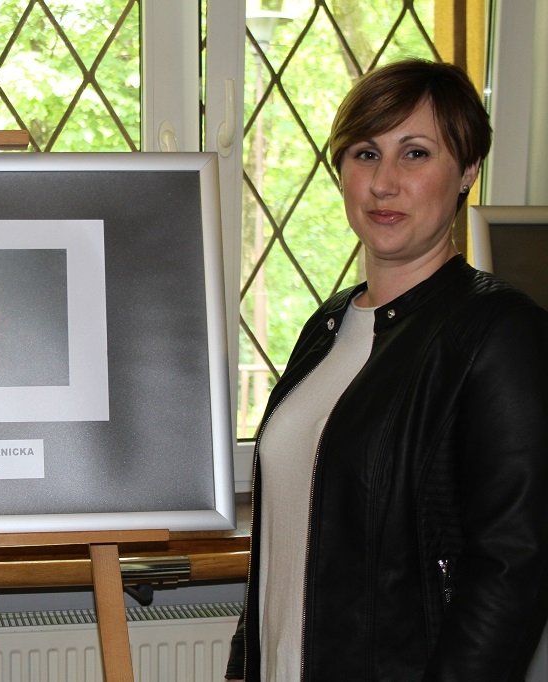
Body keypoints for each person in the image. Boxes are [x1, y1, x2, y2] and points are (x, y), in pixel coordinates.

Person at [225, 58, 548, 681]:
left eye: (416, 153)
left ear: (467, 172)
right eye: (366, 154)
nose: (384, 183)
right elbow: (279, 550)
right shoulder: (327, 327)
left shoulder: (499, 333)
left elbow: (513, 569)